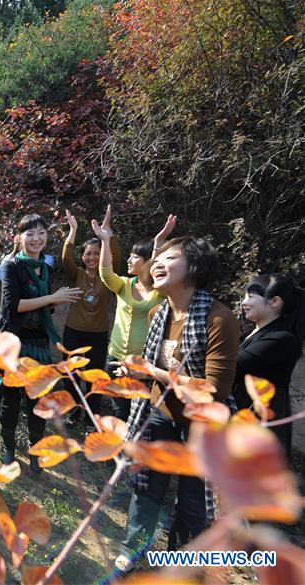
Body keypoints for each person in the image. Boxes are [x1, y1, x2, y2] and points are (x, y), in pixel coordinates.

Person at [115, 236, 240, 571]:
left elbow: (213, 390)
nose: (157, 263)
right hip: (160, 414)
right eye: (157, 258)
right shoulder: (159, 312)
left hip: (203, 426)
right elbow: (154, 371)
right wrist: (137, 372)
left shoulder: (219, 319)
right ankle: (131, 551)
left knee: (193, 502)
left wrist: (154, 371)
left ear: (194, 267)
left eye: (169, 257)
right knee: (147, 487)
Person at [0, 214, 82, 471]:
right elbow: (12, 306)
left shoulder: (45, 268)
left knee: (37, 401)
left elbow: (46, 308)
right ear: (19, 238)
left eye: (41, 233)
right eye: (30, 233)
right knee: (11, 400)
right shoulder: (12, 266)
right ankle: (8, 448)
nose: (36, 238)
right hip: (13, 342)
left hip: (38, 342)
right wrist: (52, 298)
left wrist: (53, 301)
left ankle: (35, 451)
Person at [92, 213, 176, 420]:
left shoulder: (160, 291)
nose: (129, 260)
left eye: (135, 256)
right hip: (116, 359)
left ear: (148, 262)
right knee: (120, 411)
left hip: (143, 363)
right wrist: (105, 241)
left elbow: (160, 270)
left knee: (140, 414)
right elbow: (105, 273)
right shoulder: (123, 284)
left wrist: (159, 243)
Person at [62, 207, 122, 427]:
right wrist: (72, 231)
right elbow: (66, 258)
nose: (92, 257)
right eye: (88, 253)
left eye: (97, 253)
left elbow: (116, 258)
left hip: (98, 334)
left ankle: (90, 418)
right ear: (82, 255)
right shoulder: (77, 273)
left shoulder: (108, 277)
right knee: (72, 375)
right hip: (73, 332)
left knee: (95, 378)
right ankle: (73, 412)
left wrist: (108, 235)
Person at [233, 273, 303, 457]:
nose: (244, 303)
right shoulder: (252, 333)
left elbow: (233, 365)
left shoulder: (281, 338)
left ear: (275, 302)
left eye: (251, 297)